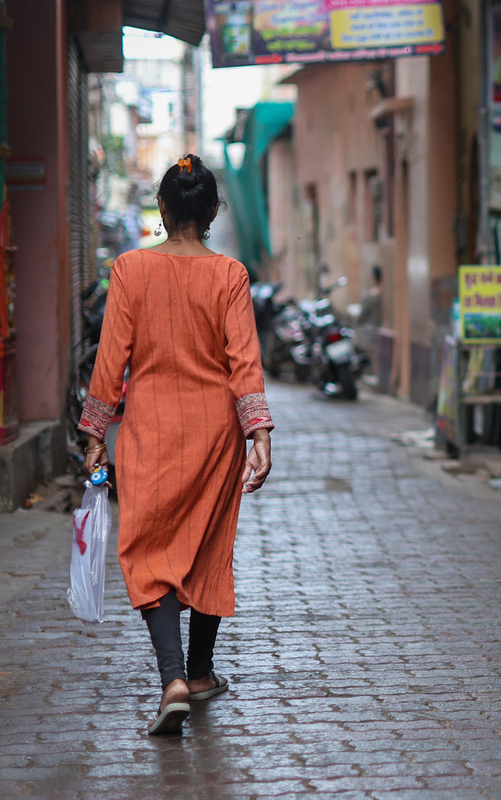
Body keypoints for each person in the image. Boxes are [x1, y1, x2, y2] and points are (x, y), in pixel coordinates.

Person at [79, 154, 274, 734]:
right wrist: (258, 431)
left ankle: (174, 679)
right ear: (213, 211)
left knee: (149, 548)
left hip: (149, 432)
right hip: (216, 435)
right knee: (210, 544)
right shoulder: (230, 275)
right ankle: (202, 670)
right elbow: (244, 362)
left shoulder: (130, 270)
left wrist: (94, 435)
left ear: (161, 209)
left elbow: (110, 361)